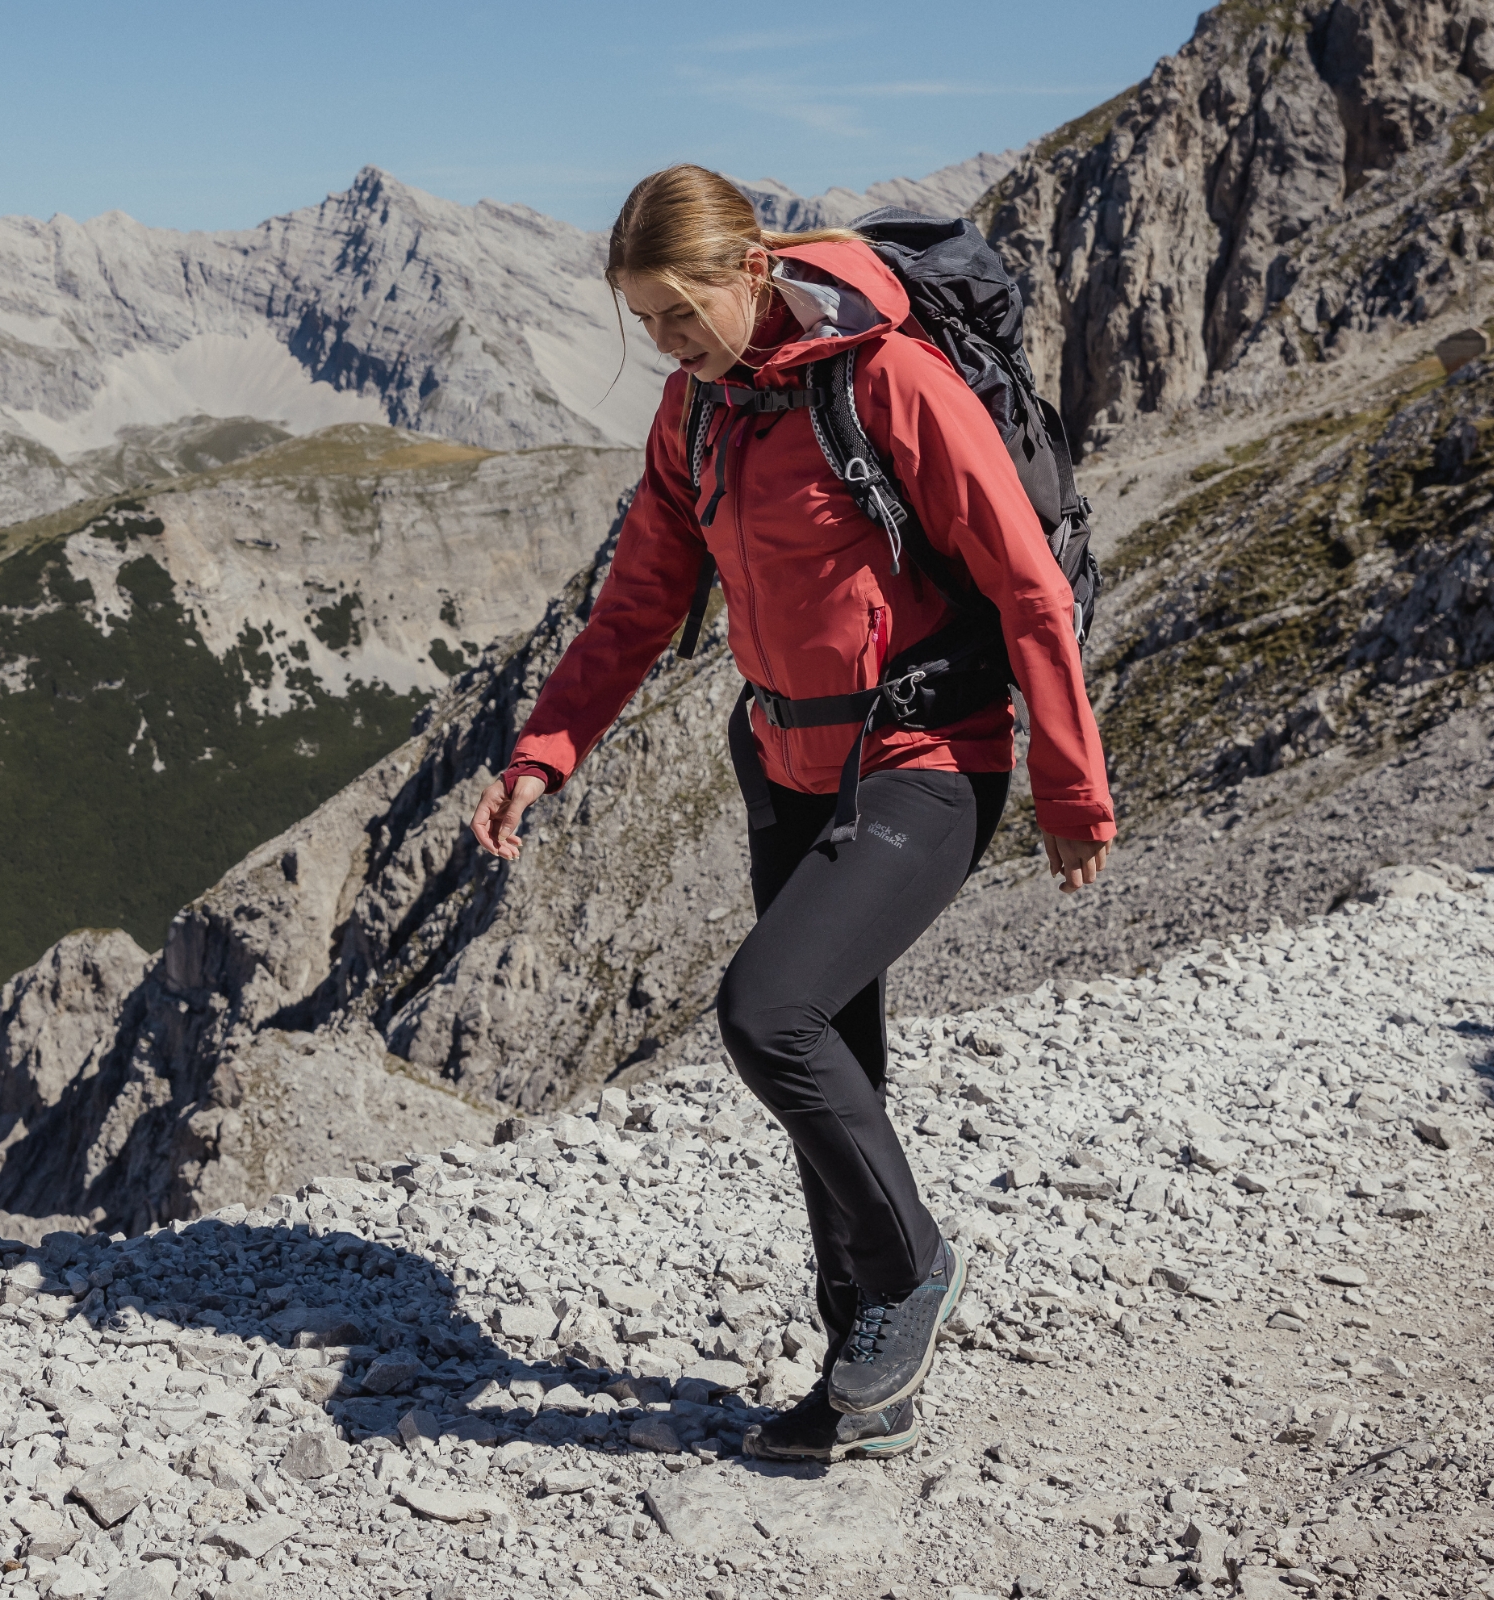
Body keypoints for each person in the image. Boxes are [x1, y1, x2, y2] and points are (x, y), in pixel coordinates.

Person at [467, 165, 1114, 1463]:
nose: (662, 345)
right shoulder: (693, 416)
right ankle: (862, 1384)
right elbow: (639, 604)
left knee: (768, 1015)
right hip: (784, 767)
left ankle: (916, 1273)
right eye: (641, 322)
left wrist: (1069, 779)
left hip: (927, 759)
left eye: (675, 314)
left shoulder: (889, 385)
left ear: (749, 269)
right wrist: (544, 750)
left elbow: (1030, 584)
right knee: (839, 1072)